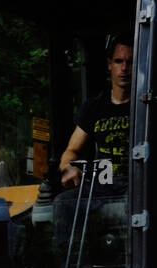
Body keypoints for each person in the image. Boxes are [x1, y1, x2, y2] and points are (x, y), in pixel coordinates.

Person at [59, 39, 132, 192]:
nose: (124, 68)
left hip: (140, 193)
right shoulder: (93, 107)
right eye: (119, 61)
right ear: (109, 64)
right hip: (103, 193)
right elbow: (72, 151)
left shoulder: (147, 106)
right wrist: (68, 167)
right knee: (63, 203)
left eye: (130, 62)